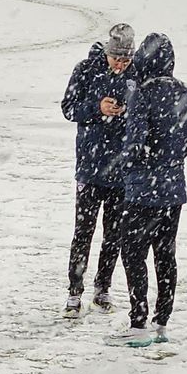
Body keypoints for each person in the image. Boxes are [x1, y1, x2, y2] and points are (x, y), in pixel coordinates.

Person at [107, 33, 187, 347]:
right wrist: (170, 160)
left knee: (133, 254)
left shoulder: (142, 94)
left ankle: (138, 319)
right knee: (165, 255)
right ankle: (162, 320)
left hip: (144, 190)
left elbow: (135, 143)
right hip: (173, 191)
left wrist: (130, 164)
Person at [60, 23, 135, 317]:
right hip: (90, 168)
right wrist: (96, 107)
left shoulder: (135, 75)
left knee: (113, 234)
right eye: (117, 58)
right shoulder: (86, 69)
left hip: (121, 171)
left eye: (126, 60)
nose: (121, 64)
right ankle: (74, 291)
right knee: (83, 233)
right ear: (108, 53)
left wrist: (127, 111)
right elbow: (68, 107)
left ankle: (102, 287)